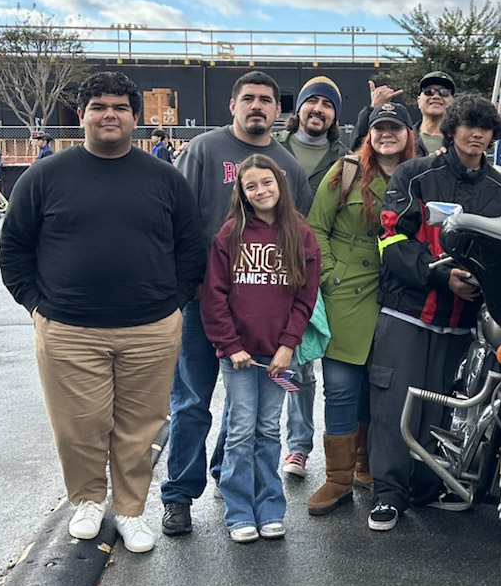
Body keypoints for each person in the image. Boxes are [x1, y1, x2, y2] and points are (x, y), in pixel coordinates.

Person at [0, 71, 206, 554]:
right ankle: (88, 500)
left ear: (136, 117)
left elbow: (190, 250)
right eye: (98, 106)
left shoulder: (165, 179)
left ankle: (132, 511)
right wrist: (36, 306)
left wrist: (173, 304)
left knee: (141, 427)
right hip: (68, 327)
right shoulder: (45, 176)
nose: (108, 114)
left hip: (151, 328)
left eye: (119, 107)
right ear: (82, 115)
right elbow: (15, 249)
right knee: (79, 424)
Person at [161, 70, 312, 538]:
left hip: (260, 313)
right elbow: (175, 217)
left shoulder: (287, 165)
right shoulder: (204, 150)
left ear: (277, 110)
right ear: (233, 106)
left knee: (245, 410)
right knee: (192, 402)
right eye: (248, 98)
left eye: (267, 100)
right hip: (199, 305)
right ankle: (179, 496)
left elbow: (297, 240)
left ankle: (232, 478)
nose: (257, 107)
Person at [367, 93, 501, 531]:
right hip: (407, 313)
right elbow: (392, 240)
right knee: (394, 407)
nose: (477, 133)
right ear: (451, 128)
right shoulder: (415, 174)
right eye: (469, 125)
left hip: (461, 325)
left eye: (485, 127)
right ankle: (389, 495)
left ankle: (424, 487)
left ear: (494, 134)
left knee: (437, 414)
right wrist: (439, 276)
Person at [199, 154, 320, 542]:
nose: (260, 191)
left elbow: (305, 298)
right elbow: (214, 297)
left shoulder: (300, 235)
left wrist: (288, 347)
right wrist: (230, 346)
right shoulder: (230, 235)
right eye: (251, 186)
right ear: (243, 193)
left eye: (266, 183)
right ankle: (238, 512)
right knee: (239, 431)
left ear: (279, 185)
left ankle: (270, 508)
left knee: (268, 431)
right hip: (239, 358)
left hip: (277, 356)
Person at [304, 102, 417, 516]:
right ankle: (336, 478)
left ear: (409, 133)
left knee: (380, 387)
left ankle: (367, 466)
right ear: (368, 133)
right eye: (378, 127)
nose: (386, 134)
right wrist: (330, 273)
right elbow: (316, 227)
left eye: (395, 127)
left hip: (398, 291)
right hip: (345, 292)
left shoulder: (419, 176)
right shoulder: (346, 171)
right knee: (339, 387)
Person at [274, 76, 351, 480]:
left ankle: (317, 449)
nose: (318, 109)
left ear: (335, 114)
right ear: (298, 108)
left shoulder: (347, 159)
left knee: (321, 364)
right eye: (312, 101)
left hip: (324, 271)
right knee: (290, 366)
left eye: (327, 104)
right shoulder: (273, 149)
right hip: (274, 269)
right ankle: (288, 445)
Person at [352, 71, 456, 157]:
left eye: (444, 92)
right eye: (429, 91)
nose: (436, 96)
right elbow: (359, 152)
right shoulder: (403, 137)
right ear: (419, 100)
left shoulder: (459, 140)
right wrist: (374, 108)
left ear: (453, 101)